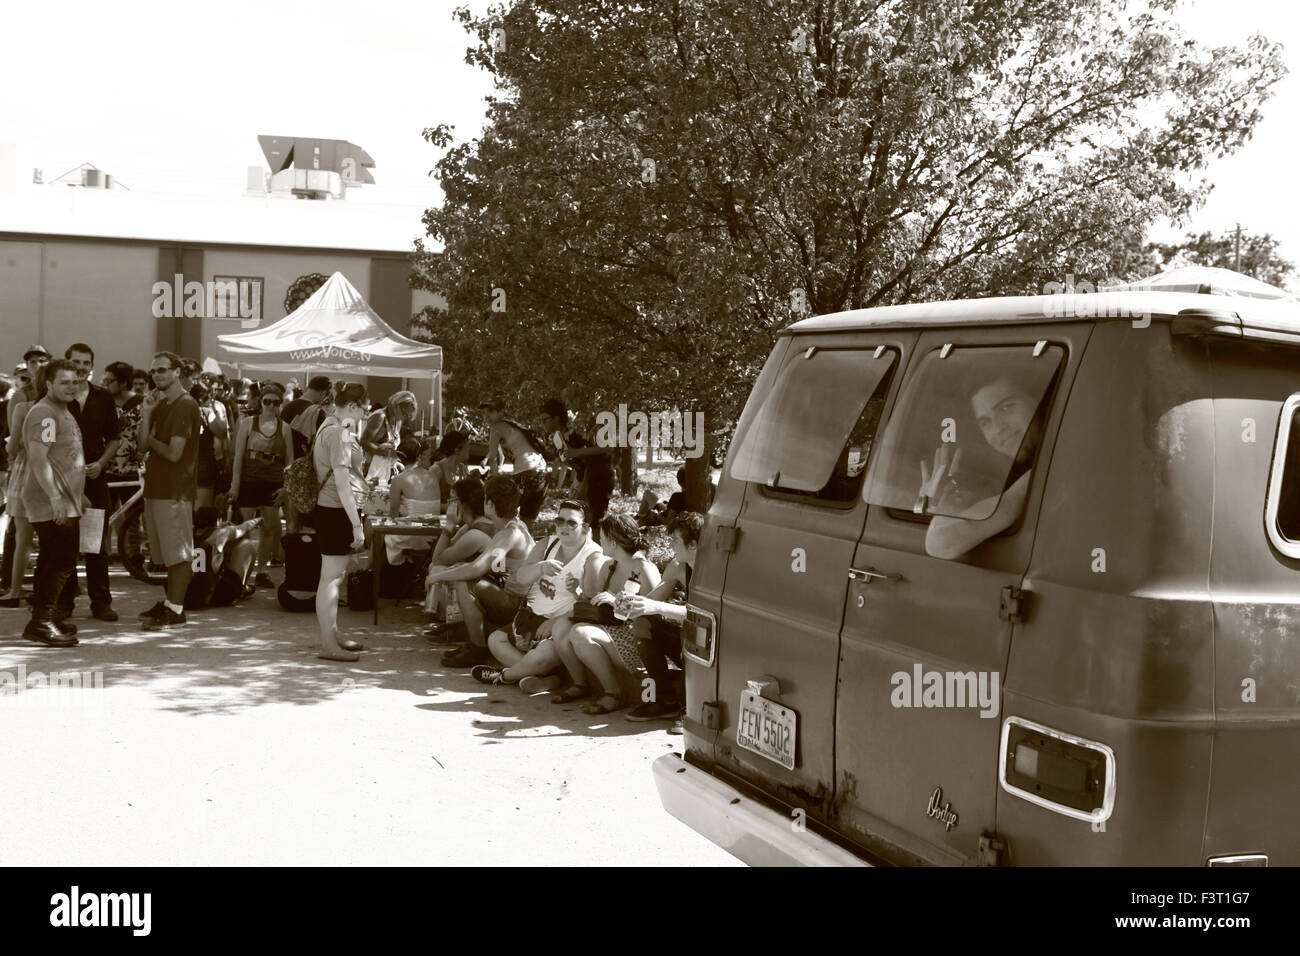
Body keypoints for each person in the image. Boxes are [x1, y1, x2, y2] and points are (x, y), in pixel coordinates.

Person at [472, 499, 605, 692]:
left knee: (542, 655)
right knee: (495, 640)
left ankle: (504, 676)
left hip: (561, 625)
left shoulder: (592, 556)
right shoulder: (547, 544)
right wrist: (540, 568)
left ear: (585, 527)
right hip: (530, 619)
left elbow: (591, 602)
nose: (563, 527)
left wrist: (556, 620)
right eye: (560, 521)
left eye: (571, 523)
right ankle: (543, 679)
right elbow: (522, 577)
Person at [923, 374, 1047, 560]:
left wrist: (944, 507)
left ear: (1039, 402)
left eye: (1006, 407)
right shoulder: (1016, 473)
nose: (998, 427)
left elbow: (942, 543)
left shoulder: (1049, 469)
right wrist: (955, 500)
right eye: (985, 422)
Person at [550, 512, 662, 713]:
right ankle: (580, 685)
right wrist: (576, 591)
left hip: (636, 638)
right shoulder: (609, 566)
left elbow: (655, 612)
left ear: (613, 541)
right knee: (562, 626)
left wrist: (616, 600)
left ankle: (613, 693)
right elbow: (595, 604)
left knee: (581, 633)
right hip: (610, 628)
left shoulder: (644, 568)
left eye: (602, 537)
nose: (600, 541)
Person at [430, 475, 535, 667]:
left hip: (521, 606)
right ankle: (470, 637)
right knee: (462, 574)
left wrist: (437, 576)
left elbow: (476, 568)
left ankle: (477, 648)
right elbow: (493, 567)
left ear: (490, 504)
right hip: (517, 598)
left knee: (465, 582)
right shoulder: (512, 527)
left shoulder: (509, 533)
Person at [20, 359, 85, 647]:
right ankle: (41, 622)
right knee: (61, 561)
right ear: (49, 384)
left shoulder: (63, 410)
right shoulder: (45, 413)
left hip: (65, 500)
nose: (72, 386)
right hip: (52, 503)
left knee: (51, 561)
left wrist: (78, 492)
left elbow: (65, 457)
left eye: (75, 381)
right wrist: (56, 497)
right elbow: (38, 458)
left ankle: (48, 617)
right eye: (64, 382)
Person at [136, 351, 202, 630]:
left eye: (162, 370)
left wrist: (150, 439)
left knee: (178, 554)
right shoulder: (160, 405)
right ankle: (169, 605)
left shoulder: (186, 405)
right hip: (156, 488)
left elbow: (174, 453)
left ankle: (175, 609)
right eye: (154, 371)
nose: (157, 375)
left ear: (177, 372)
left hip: (175, 490)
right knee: (164, 555)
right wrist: (147, 415)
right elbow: (141, 447)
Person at [624, 511, 703, 724]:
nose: (671, 546)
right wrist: (629, 604)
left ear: (693, 544)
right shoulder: (678, 567)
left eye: (675, 540)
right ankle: (664, 700)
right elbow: (651, 601)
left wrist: (657, 606)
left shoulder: (716, 571)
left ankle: (689, 708)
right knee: (643, 623)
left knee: (693, 631)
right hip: (690, 642)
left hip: (713, 646)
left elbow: (705, 616)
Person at [312, 383, 371, 662]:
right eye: (364, 410)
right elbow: (343, 483)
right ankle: (328, 644)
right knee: (331, 580)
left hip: (334, 509)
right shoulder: (339, 432)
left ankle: (332, 635)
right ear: (352, 406)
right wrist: (357, 525)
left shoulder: (332, 425)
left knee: (334, 578)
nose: (364, 416)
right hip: (336, 510)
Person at [64, 343, 121, 622]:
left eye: (86, 363)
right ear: (67, 363)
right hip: (63, 480)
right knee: (65, 541)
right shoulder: (56, 394)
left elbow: (115, 437)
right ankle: (64, 602)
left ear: (92, 366)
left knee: (96, 543)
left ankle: (101, 603)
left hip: (95, 479)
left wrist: (102, 463)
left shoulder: (104, 397)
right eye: (76, 362)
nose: (81, 367)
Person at [230, 381, 295, 588]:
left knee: (270, 527)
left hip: (273, 484)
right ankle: (240, 571)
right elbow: (238, 457)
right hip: (249, 482)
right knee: (244, 528)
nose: (271, 406)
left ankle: (261, 571)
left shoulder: (285, 428)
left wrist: (287, 488)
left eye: (276, 403)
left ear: (280, 405)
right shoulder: (248, 423)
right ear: (261, 402)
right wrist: (234, 486)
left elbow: (290, 463)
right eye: (267, 401)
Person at [0, 359, 48, 608]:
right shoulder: (60, 409)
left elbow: (12, 445)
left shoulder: (23, 406)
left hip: (24, 471)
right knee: (52, 541)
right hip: (52, 473)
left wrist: (14, 450)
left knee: (23, 538)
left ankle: (15, 590)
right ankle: (48, 592)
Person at [541, 397, 614, 538]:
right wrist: (578, 481)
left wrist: (576, 452)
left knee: (596, 519)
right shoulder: (557, 438)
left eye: (545, 420)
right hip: (585, 478)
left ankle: (600, 551)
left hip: (600, 476)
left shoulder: (578, 430)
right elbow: (574, 463)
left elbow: (607, 447)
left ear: (556, 419)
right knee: (580, 517)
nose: (542, 424)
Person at [480, 398, 549, 522]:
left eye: (490, 412)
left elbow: (493, 457)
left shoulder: (497, 427)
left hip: (525, 473)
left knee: (499, 514)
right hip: (541, 473)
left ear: (501, 411)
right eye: (484, 413)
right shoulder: (513, 424)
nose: (486, 417)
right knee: (527, 521)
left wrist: (494, 484)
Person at [184, 507, 260, 610]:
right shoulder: (221, 534)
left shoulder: (187, 534)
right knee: (247, 545)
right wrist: (259, 520)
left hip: (185, 595)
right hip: (214, 595)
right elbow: (244, 527)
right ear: (217, 521)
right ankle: (241, 588)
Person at [385, 438, 440, 566]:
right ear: (419, 456)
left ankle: (376, 576)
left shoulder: (398, 479)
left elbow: (393, 514)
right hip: (433, 534)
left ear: (400, 458)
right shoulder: (433, 475)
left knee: (381, 534)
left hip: (413, 534)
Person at [359, 390, 418, 473]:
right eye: (404, 414)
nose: (404, 418)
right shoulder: (379, 417)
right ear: (396, 405)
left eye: (407, 416)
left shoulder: (398, 421)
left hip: (386, 468)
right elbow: (364, 443)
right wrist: (385, 452)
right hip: (372, 469)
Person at [431, 431, 471, 509]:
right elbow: (428, 503)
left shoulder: (463, 469)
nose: (469, 449)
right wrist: (454, 508)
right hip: (440, 518)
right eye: (467, 446)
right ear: (457, 450)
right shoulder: (436, 470)